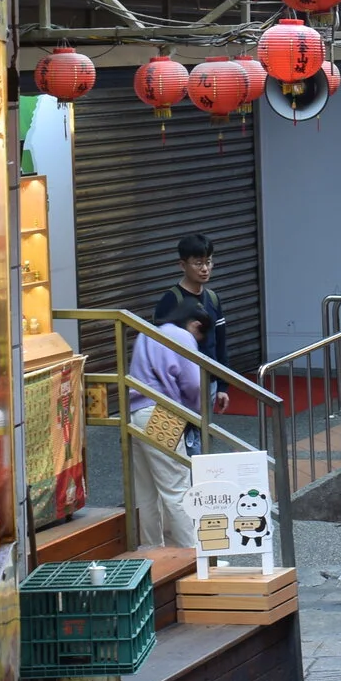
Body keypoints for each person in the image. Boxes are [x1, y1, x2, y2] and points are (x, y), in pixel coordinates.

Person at [126, 312, 206, 546]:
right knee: (177, 489)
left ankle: (151, 551)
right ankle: (192, 554)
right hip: (163, 413)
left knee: (146, 492)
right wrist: (196, 412)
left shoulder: (146, 333)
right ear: (196, 325)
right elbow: (193, 383)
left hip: (135, 412)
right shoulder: (182, 336)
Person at [153, 234, 227, 366]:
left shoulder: (213, 298)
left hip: (212, 378)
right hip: (183, 380)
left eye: (208, 262)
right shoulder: (170, 300)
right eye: (198, 263)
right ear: (182, 265)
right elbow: (160, 348)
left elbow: (221, 344)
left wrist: (223, 383)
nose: (204, 269)